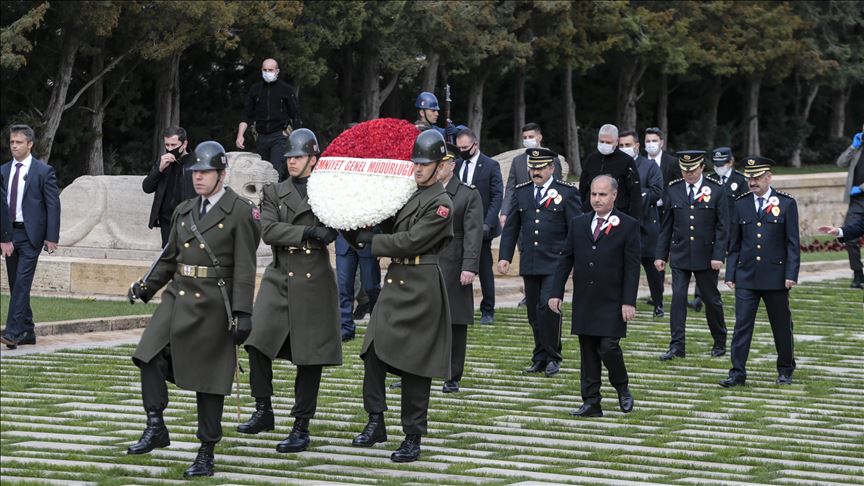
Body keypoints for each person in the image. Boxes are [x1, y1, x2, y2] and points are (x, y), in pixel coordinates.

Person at [126, 141, 261, 477]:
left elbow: (245, 266)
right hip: (178, 296)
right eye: (195, 172)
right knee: (148, 354)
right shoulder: (184, 209)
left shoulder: (241, 211)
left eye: (205, 172)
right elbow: (170, 257)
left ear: (222, 174)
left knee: (209, 380)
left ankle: (206, 451)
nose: (198, 178)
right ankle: (156, 425)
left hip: (215, 302)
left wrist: (243, 313)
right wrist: (146, 287)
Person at [345, 129, 453, 463]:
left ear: (440, 166)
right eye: (416, 163)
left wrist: (370, 243)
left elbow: (410, 241)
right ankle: (375, 420)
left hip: (422, 283)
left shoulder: (441, 203)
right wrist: (350, 221)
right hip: (396, 281)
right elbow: (383, 220)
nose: (418, 169)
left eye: (425, 164)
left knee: (416, 365)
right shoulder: (406, 194)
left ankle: (413, 436)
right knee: (372, 351)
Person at [238, 128, 342, 453]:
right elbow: (269, 231)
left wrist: (324, 231)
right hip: (280, 273)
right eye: (289, 157)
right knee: (256, 342)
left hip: (315, 279)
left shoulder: (328, 191)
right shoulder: (274, 191)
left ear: (313, 158)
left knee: (310, 357)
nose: (292, 162)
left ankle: (301, 425)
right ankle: (263, 409)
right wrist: (309, 230)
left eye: (298, 157)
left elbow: (335, 229)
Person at [549, 175, 639, 417]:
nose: (597, 200)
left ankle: (622, 386)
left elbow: (632, 267)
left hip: (612, 299)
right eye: (593, 195)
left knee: (608, 347)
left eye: (602, 195)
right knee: (588, 350)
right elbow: (566, 257)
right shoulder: (579, 223)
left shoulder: (628, 225)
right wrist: (555, 292)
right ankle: (591, 401)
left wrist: (628, 301)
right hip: (585, 299)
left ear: (614, 195)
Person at [498, 148, 582, 377]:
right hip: (531, 260)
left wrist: (576, 259)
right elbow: (512, 226)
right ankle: (540, 357)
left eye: (540, 167)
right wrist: (505, 256)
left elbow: (576, 228)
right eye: (532, 167)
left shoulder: (565, 193)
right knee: (534, 313)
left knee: (548, 307)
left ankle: (553, 356)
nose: (535, 171)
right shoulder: (522, 192)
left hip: (556, 261)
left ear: (551, 168)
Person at [721, 156, 799, 388]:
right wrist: (730, 273)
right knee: (742, 325)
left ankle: (785, 369)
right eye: (749, 178)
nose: (752, 182)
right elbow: (734, 243)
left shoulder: (785, 203)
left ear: (768, 176)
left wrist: (791, 274)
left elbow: (792, 243)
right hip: (747, 276)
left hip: (775, 276)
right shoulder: (741, 203)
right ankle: (737, 372)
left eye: (756, 178)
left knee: (781, 325)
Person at [654, 151, 728, 361]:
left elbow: (723, 227)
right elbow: (666, 224)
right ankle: (677, 346)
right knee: (677, 299)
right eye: (685, 170)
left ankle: (719, 340)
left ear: (702, 167)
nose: (689, 173)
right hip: (680, 254)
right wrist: (661, 254)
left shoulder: (716, 190)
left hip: (706, 255)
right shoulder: (674, 189)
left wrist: (718, 255)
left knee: (711, 300)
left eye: (693, 169)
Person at [1, 124, 61, 350]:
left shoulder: (44, 171)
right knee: (16, 283)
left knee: (22, 283)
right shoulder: (3, 171)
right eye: (11, 142)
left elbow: (53, 205)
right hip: (9, 235)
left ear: (30, 144)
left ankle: (13, 332)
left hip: (32, 235)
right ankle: (28, 331)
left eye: (18, 142)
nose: (14, 146)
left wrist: (51, 236)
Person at [437, 142, 484, 393]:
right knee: (421, 321)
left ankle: (452, 375)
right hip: (428, 263)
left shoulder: (467, 193)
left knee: (455, 323)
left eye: (443, 164)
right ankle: (414, 369)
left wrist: (469, 267)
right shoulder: (424, 190)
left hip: (454, 265)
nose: (438, 168)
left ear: (452, 166)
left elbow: (473, 234)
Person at [686, 147, 748, 312]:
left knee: (738, 263)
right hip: (713, 231)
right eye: (717, 164)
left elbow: (745, 206)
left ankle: (743, 295)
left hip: (734, 229)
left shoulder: (740, 181)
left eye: (723, 163)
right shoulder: (709, 180)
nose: (719, 167)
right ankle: (700, 298)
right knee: (706, 265)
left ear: (731, 162)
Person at [455, 128, 503, 324]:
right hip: (459, 228)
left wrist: (487, 223)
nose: (462, 151)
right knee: (459, 268)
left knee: (484, 269)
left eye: (466, 147)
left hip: (483, 228)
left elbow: (497, 196)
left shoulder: (491, 165)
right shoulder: (456, 165)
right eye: (459, 148)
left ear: (476, 145)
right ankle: (461, 308)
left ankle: (488, 309)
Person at [619, 130, 664, 318]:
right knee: (623, 268)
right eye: (620, 146)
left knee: (651, 269)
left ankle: (658, 303)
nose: (624, 149)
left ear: (637, 146)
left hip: (646, 225)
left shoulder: (650, 166)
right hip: (622, 224)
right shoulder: (616, 165)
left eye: (627, 145)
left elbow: (656, 191)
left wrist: (635, 196)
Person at [236, 58, 301, 181]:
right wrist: (240, 135)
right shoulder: (255, 90)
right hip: (261, 136)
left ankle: (276, 198)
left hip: (280, 135)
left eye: (270, 70)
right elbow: (246, 115)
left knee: (275, 172)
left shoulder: (286, 90)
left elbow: (295, 115)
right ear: (261, 70)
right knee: (262, 172)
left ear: (277, 71)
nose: (267, 72)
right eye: (265, 70)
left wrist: (296, 140)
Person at [500, 123, 564, 229]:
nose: (527, 140)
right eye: (525, 138)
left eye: (531, 137)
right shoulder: (517, 161)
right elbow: (510, 189)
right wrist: (504, 213)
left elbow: (558, 187)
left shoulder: (552, 159)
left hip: (546, 214)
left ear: (539, 137)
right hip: (522, 214)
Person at [142, 126, 195, 247]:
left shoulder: (194, 163)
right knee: (168, 256)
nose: (170, 149)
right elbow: (147, 188)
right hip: (166, 220)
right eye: (167, 145)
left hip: (188, 219)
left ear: (184, 143)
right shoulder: (163, 162)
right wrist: (159, 169)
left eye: (173, 145)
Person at [579, 124, 642, 221]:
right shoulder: (591, 159)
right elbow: (583, 188)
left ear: (616, 142)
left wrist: (634, 220)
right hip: (591, 213)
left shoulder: (626, 161)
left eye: (608, 142)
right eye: (601, 141)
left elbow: (635, 193)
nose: (604, 144)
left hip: (618, 215)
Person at [335, 234, 381, 341]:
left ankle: (377, 326)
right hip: (344, 242)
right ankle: (346, 329)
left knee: (371, 287)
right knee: (344, 286)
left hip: (368, 242)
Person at [835, 123, 864, 289]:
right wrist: (853, 146)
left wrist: (860, 188)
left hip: (858, 193)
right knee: (849, 236)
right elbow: (840, 163)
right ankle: (858, 274)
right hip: (857, 201)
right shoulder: (858, 147)